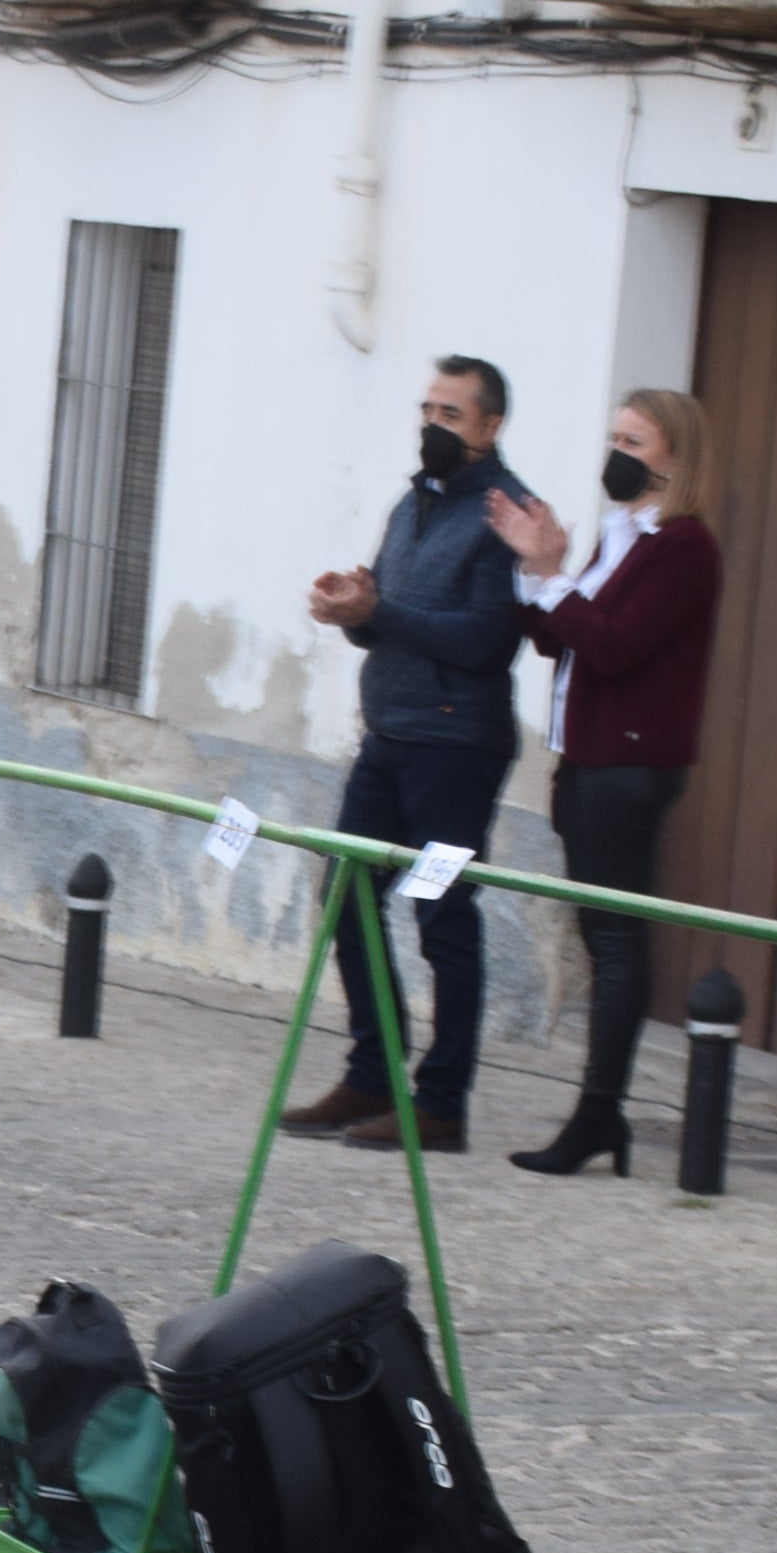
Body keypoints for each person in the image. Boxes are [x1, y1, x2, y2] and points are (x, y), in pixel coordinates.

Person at [293, 357, 531, 1155]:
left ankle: (442, 1102)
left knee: (442, 915)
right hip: (389, 737)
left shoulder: (506, 515)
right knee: (347, 895)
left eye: (452, 415)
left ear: (491, 427)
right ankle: (372, 1069)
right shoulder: (411, 504)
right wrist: (351, 610)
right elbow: (384, 614)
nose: (434, 426)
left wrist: (382, 611)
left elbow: (483, 641)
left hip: (455, 749)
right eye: (427, 410)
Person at [489, 388, 721, 1180]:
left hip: (631, 765)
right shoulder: (621, 536)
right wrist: (536, 569)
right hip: (584, 758)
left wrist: (555, 577)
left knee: (618, 941)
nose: (617, 451)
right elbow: (563, 638)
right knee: (600, 936)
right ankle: (599, 1114)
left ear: (673, 458)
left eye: (635, 439)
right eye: (614, 435)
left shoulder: (683, 547)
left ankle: (598, 1115)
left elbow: (615, 646)